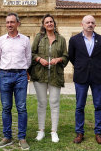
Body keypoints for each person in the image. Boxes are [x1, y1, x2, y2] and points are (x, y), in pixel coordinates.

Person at [68, 15, 101, 145]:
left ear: (95, 25)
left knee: (99, 105)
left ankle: (98, 133)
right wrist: (81, 66)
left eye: (92, 22)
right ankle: (79, 132)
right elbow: (72, 57)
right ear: (82, 24)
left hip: (97, 76)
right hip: (81, 76)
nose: (90, 24)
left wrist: (96, 66)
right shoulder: (74, 40)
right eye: (87, 22)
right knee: (80, 106)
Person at [30, 14, 68, 143]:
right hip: (40, 75)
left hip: (55, 75)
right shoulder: (39, 38)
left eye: (51, 21)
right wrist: (39, 59)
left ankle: (54, 131)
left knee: (55, 103)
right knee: (42, 103)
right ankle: (41, 130)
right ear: (43, 25)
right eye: (47, 22)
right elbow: (31, 54)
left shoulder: (61, 39)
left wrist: (59, 59)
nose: (49, 23)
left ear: (54, 23)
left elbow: (66, 57)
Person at [0, 13, 31, 150]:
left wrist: (22, 70)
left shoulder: (25, 40)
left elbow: (28, 58)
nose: (9, 24)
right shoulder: (1, 40)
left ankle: (22, 138)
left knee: (21, 108)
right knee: (6, 107)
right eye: (7, 22)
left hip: (20, 76)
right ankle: (7, 137)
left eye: (12, 22)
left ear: (18, 24)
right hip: (4, 75)